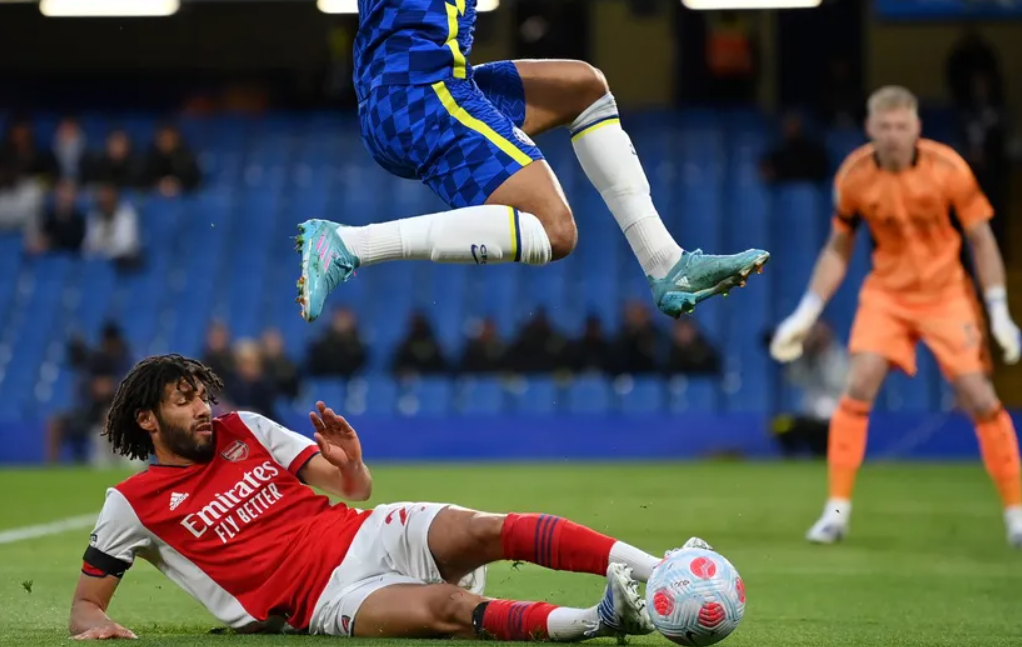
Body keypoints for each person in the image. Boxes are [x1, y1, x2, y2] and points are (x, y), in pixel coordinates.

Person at [69, 354, 710, 640]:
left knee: (488, 527)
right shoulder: (131, 504)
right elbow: (85, 606)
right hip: (324, 600)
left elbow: (353, 491)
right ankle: (602, 621)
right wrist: (95, 626)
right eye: (184, 401)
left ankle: (659, 569)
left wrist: (350, 462)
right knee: (449, 609)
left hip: (365, 532)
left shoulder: (246, 429)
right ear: (148, 420)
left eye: (202, 396)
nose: (203, 409)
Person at [293, 0, 768, 324]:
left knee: (584, 89)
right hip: (421, 97)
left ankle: (666, 264)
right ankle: (351, 244)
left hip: (422, 88)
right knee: (555, 231)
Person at [768, 86, 1022, 548]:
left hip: (946, 293)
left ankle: (1016, 514)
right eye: (884, 126)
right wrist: (806, 313)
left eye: (901, 126)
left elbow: (981, 239)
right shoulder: (855, 175)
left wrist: (999, 309)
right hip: (887, 294)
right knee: (858, 385)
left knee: (980, 396)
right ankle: (835, 513)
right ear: (870, 128)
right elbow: (839, 248)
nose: (893, 135)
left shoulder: (949, 168)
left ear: (916, 127)